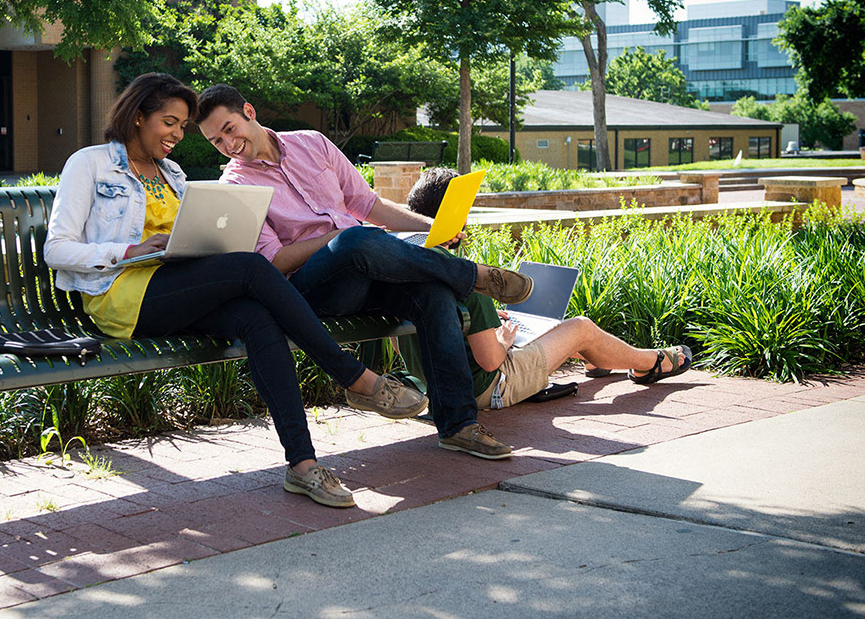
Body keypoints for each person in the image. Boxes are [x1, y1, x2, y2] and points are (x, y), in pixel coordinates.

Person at [43, 73, 428, 509]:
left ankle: (302, 466)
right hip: (123, 297)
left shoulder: (173, 173)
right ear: (137, 117)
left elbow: (197, 236)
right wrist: (129, 248)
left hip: (178, 286)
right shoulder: (90, 163)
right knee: (249, 268)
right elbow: (56, 249)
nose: (176, 134)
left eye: (182, 126)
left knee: (256, 318)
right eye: (169, 122)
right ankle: (351, 375)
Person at [195, 83, 535, 461]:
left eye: (229, 129)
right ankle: (473, 277)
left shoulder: (313, 143)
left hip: (367, 271)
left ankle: (458, 425)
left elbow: (366, 202)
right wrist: (338, 236)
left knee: (432, 296)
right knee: (354, 241)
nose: (227, 144)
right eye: (215, 141)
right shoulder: (236, 185)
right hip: (313, 289)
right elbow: (273, 262)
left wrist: (428, 224)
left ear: (249, 112)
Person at [402, 167, 693, 410]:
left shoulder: (396, 265)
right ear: (453, 216)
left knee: (547, 328)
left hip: (430, 385)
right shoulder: (466, 278)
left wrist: (486, 323)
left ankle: (598, 358)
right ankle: (651, 363)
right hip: (484, 390)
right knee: (581, 328)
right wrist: (501, 340)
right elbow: (491, 361)